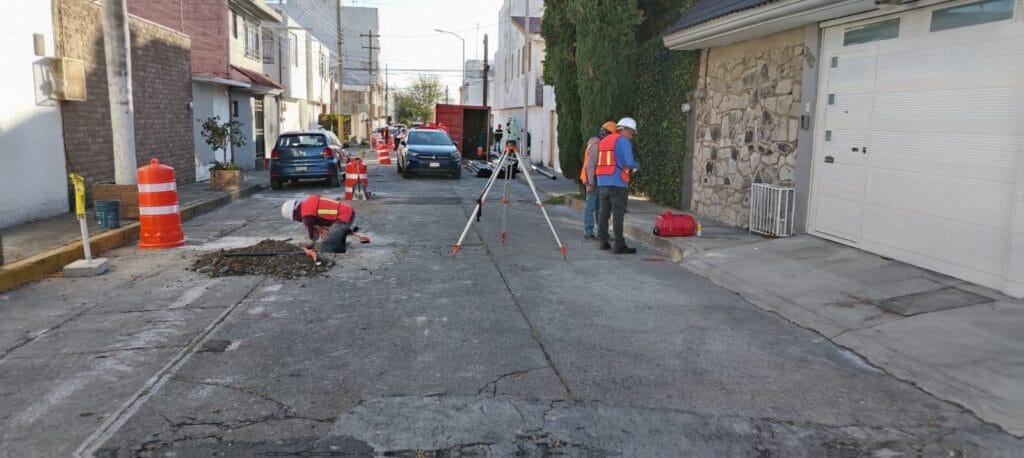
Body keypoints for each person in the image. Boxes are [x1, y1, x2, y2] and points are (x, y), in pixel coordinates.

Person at [596, 117, 640, 254]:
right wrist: (637, 165)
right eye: (631, 133)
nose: (631, 137)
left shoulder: (603, 141)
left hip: (602, 181)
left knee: (603, 213)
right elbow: (629, 161)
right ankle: (619, 245)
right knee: (618, 215)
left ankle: (603, 241)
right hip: (618, 183)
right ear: (624, 130)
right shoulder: (623, 141)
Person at [281, 195, 356, 253]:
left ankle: (330, 260)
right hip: (349, 211)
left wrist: (309, 247)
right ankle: (340, 255)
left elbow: (313, 237)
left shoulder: (307, 218)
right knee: (336, 240)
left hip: (343, 219)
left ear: (294, 215)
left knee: (327, 243)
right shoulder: (311, 199)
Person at [581, 121, 618, 240]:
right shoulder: (596, 145)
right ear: (606, 134)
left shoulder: (601, 144)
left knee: (600, 208)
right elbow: (591, 166)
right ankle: (588, 232)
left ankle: (601, 232)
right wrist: (591, 183)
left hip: (599, 180)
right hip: (591, 180)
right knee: (590, 206)